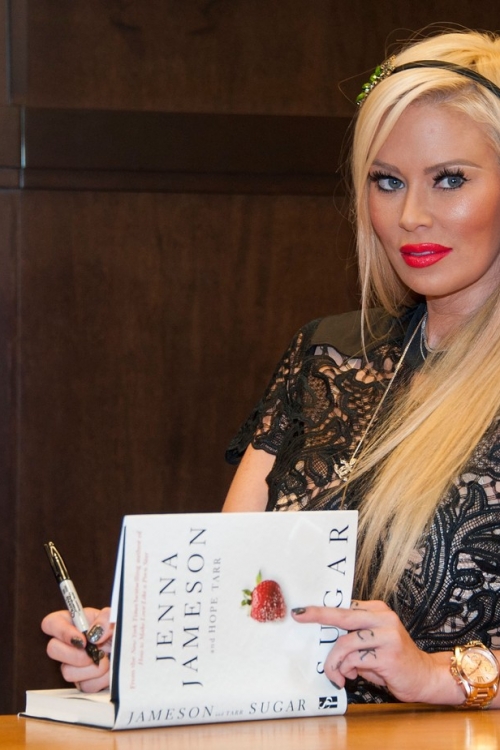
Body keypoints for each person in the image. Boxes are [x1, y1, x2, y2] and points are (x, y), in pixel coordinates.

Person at [42, 27, 500, 708]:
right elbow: (238, 599)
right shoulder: (326, 357)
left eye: (450, 180)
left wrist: (442, 676)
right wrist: (139, 654)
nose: (410, 216)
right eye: (387, 182)